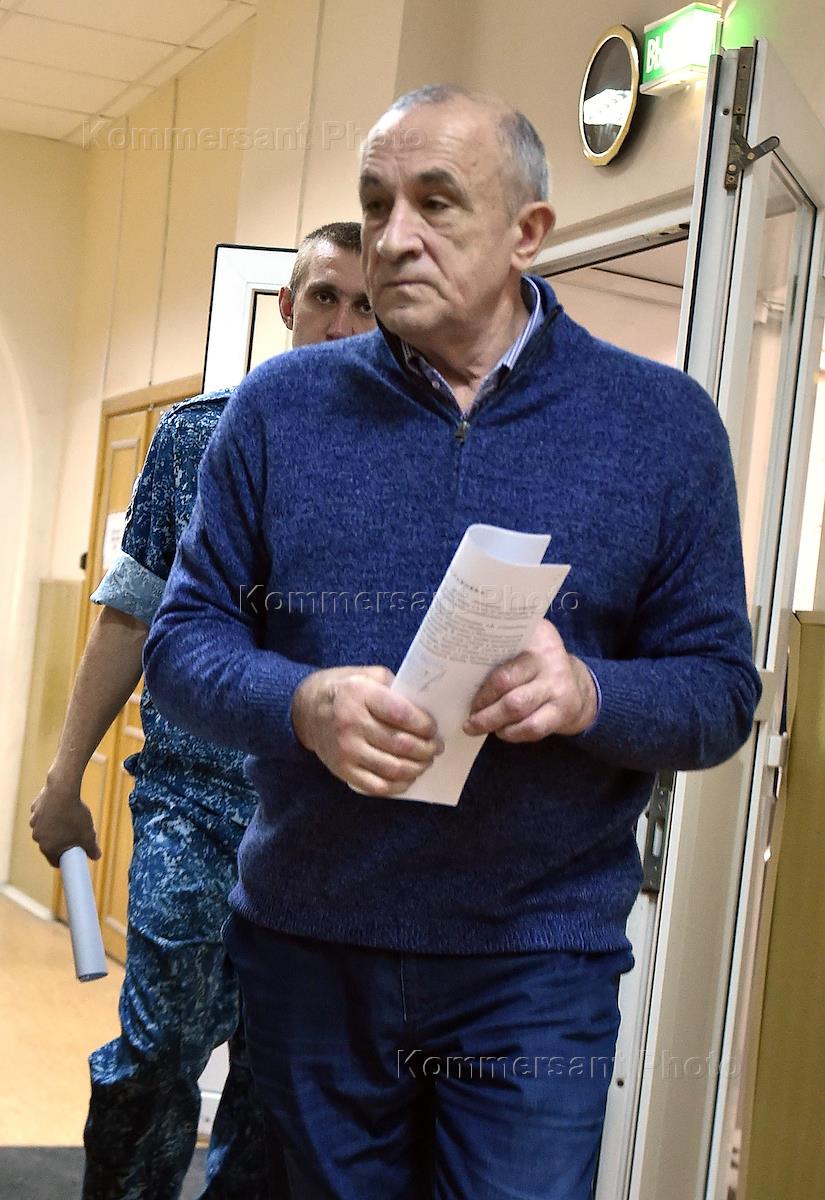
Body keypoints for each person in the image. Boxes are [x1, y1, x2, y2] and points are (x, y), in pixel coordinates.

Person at [143, 85, 761, 1200]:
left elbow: (719, 693)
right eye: (374, 203)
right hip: (313, 941)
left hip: (535, 959)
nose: (392, 237)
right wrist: (301, 704)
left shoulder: (662, 427)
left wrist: (589, 695)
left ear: (529, 232)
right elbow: (181, 645)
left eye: (435, 203)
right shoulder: (276, 411)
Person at [30, 221, 374, 1200]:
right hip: (194, 801)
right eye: (324, 297)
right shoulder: (196, 438)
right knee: (159, 1049)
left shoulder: (405, 461)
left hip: (325, 823)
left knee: (280, 1082)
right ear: (287, 306)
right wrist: (65, 777)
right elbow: (129, 613)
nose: (341, 324)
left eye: (366, 306)